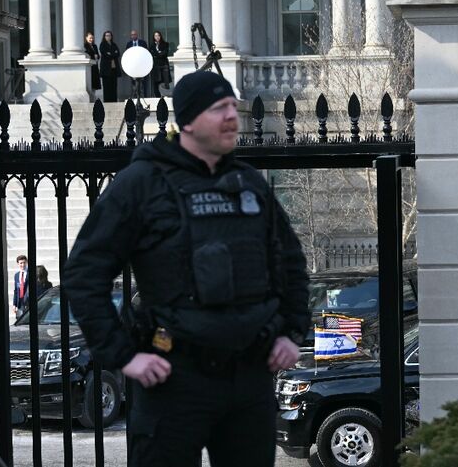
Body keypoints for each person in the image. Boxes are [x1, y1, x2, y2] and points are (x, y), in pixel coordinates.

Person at [63, 70, 311, 467]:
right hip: (174, 378)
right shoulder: (141, 183)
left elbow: (290, 262)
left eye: (233, 105)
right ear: (190, 121)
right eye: (219, 108)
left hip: (251, 375)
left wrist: (292, 331)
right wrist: (124, 356)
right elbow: (83, 273)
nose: (232, 115)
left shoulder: (248, 183)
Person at [98, 30, 122, 102]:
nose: (108, 37)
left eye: (109, 35)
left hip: (114, 69)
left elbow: (118, 53)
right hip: (106, 70)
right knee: (107, 86)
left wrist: (110, 54)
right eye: (107, 35)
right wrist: (112, 54)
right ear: (104, 37)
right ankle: (107, 101)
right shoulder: (102, 44)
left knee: (114, 85)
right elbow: (105, 54)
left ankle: (114, 100)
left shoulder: (114, 44)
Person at [126, 29, 150, 97]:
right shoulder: (129, 44)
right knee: (134, 82)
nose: (133, 36)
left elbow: (146, 52)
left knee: (143, 82)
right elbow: (127, 54)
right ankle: (135, 96)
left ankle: (144, 96)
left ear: (137, 35)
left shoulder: (143, 43)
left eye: (135, 34)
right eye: (132, 35)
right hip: (133, 66)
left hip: (142, 65)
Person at [149, 30, 171, 95]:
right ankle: (157, 97)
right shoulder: (152, 45)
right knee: (155, 83)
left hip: (163, 65)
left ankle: (165, 96)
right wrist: (159, 53)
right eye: (155, 36)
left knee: (164, 82)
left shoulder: (165, 44)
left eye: (158, 35)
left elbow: (165, 54)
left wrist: (157, 54)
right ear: (154, 37)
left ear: (160, 36)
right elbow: (151, 54)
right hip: (155, 66)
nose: (157, 37)